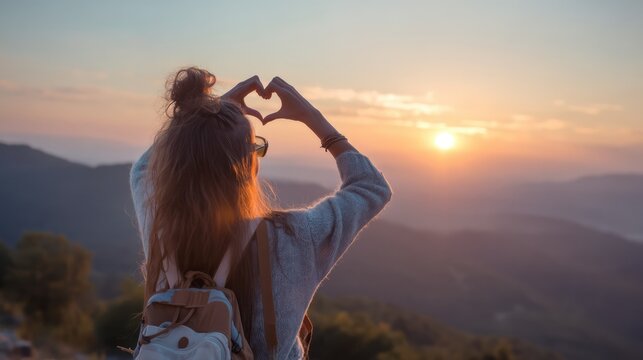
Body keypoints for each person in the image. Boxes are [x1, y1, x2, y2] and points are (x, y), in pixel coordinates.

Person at [129, 67, 392, 359]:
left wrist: (207, 119)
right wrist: (313, 118)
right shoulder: (296, 237)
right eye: (255, 148)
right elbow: (371, 187)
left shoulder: (163, 229)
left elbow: (142, 169)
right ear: (247, 165)